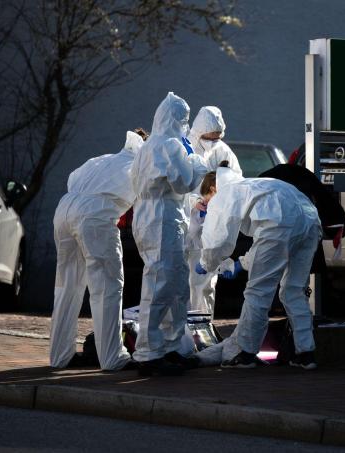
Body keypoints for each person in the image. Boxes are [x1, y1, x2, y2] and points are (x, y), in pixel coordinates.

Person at [195, 166, 322, 370]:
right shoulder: (253, 186)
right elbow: (268, 240)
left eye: (206, 200)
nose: (207, 206)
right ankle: (306, 354)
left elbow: (217, 240)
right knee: (293, 291)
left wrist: (205, 264)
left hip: (281, 224)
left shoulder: (224, 193)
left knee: (257, 292)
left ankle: (245, 353)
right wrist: (241, 263)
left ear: (212, 189)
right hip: (310, 221)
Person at [50, 129, 145, 371]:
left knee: (66, 285)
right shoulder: (140, 166)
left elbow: (72, 179)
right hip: (96, 214)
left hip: (64, 210)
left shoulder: (102, 159)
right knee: (107, 287)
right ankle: (112, 357)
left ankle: (60, 356)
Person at [130, 92, 208, 375]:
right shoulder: (171, 145)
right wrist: (198, 165)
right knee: (162, 284)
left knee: (173, 284)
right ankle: (150, 352)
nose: (186, 124)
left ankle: (170, 347)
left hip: (148, 214)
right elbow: (184, 182)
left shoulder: (148, 146)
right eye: (184, 119)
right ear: (176, 119)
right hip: (163, 216)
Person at [185, 106, 242, 315]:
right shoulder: (185, 147)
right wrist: (191, 201)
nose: (213, 141)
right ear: (200, 132)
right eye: (210, 137)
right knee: (181, 283)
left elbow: (235, 181)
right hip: (186, 223)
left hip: (210, 224)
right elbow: (174, 185)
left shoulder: (223, 150)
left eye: (217, 137)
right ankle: (179, 335)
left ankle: (202, 331)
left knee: (205, 284)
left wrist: (218, 202)